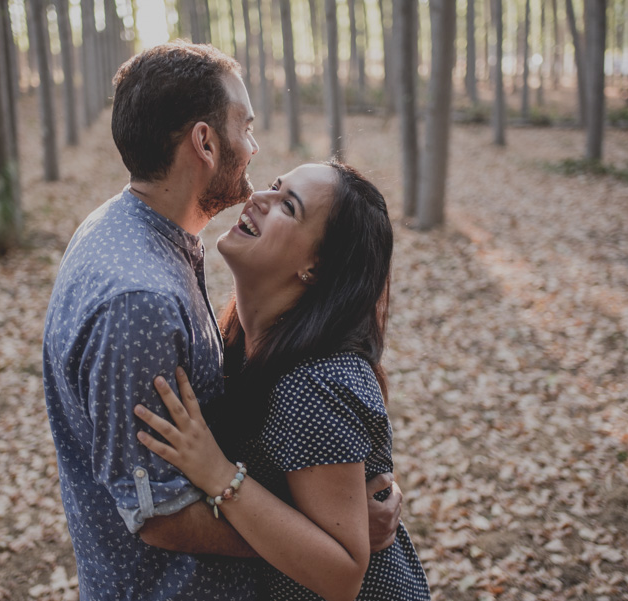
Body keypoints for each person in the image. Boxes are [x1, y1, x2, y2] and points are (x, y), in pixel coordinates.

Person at [42, 41, 402, 601]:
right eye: (247, 127)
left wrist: (343, 510)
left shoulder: (133, 233)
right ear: (205, 142)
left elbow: (332, 524)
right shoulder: (143, 298)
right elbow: (159, 514)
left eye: (287, 201)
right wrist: (321, 529)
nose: (256, 161)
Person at [135, 162, 431, 601]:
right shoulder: (241, 338)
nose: (258, 198)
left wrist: (218, 474)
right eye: (275, 186)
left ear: (316, 265)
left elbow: (343, 575)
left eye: (287, 206)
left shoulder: (312, 382)